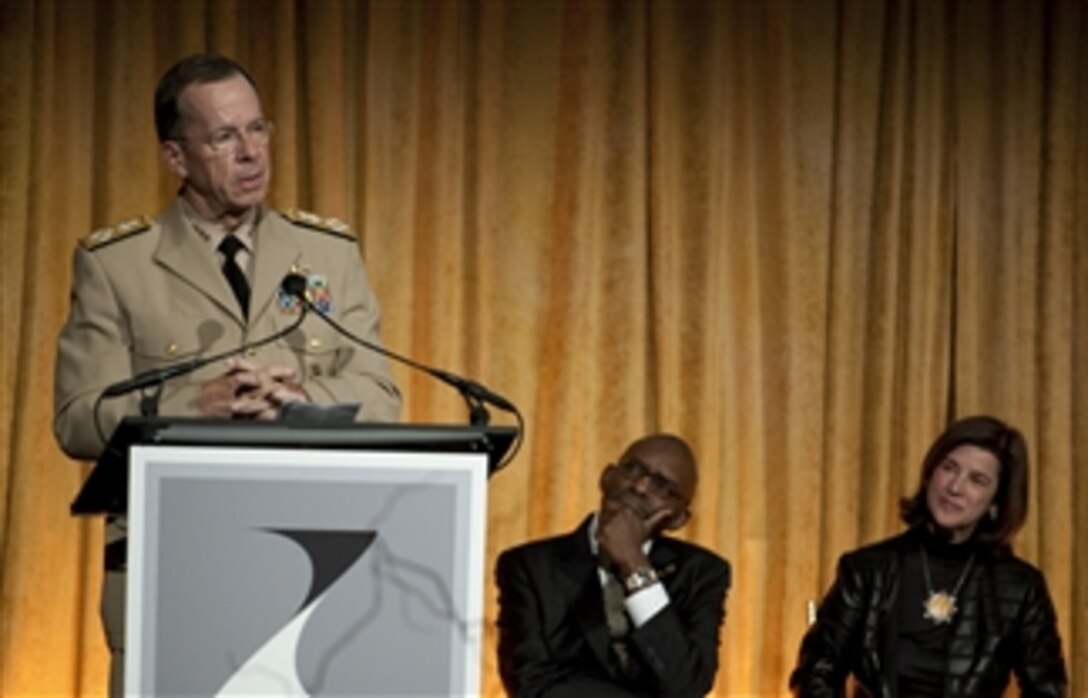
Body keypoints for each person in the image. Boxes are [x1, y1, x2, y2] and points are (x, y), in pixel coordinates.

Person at [53, 53, 402, 695]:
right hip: (173, 566)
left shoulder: (327, 251)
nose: (251, 153)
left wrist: (301, 397)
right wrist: (193, 405)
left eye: (258, 129)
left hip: (311, 565)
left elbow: (381, 396)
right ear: (175, 157)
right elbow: (77, 417)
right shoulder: (117, 264)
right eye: (223, 136)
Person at [790, 415, 1068, 697]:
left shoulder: (1021, 587)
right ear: (930, 473)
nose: (955, 487)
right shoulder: (866, 570)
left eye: (977, 480)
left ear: (996, 501)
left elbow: (1046, 690)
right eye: (949, 468)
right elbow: (816, 673)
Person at [495, 434, 731, 697]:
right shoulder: (530, 567)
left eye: (663, 487)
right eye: (633, 469)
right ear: (606, 477)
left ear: (678, 518)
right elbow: (530, 684)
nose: (640, 487)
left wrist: (634, 564)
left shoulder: (701, 573)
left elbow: (687, 684)